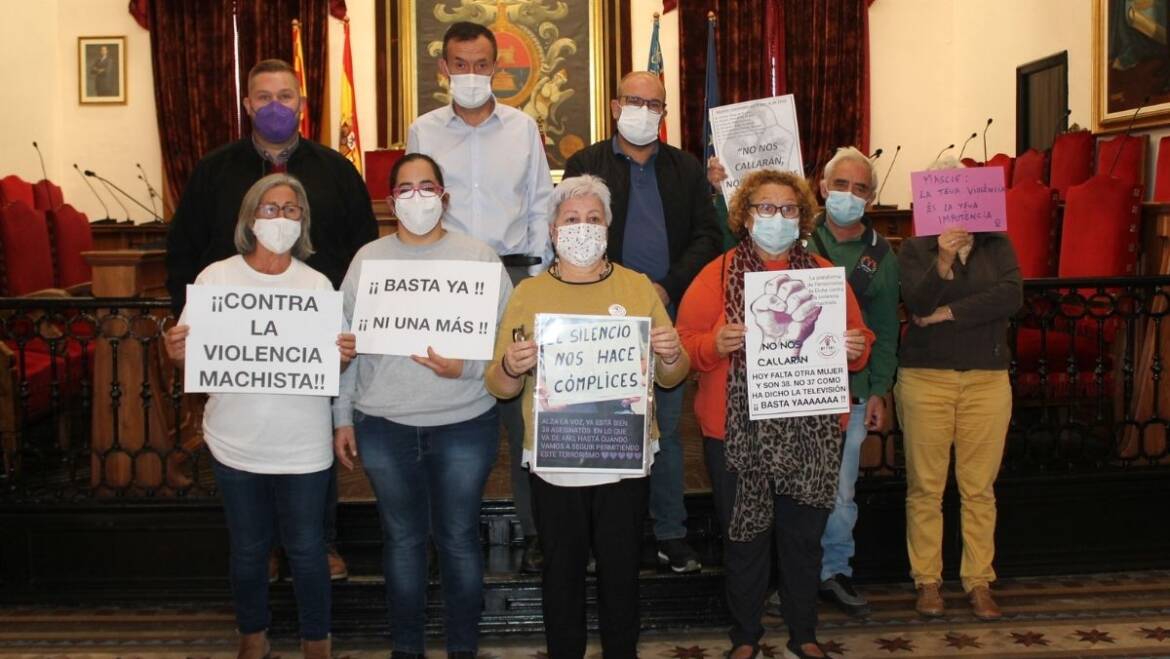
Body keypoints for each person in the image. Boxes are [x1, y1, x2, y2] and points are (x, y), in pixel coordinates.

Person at [166, 58, 377, 581]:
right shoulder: (214, 170)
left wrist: (352, 321)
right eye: (264, 97)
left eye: (286, 96)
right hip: (239, 343)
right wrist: (194, 328)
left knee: (313, 436)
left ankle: (319, 542)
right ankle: (261, 548)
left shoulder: (335, 169)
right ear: (247, 105)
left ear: (302, 104)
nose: (275, 106)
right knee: (247, 440)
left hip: (315, 338)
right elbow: (184, 251)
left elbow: (363, 249)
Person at [485, 175, 690, 658]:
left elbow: (672, 376)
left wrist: (669, 352)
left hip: (622, 455)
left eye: (593, 219)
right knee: (562, 575)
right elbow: (497, 383)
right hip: (558, 460)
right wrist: (513, 367)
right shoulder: (528, 295)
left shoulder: (637, 288)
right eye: (571, 220)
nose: (582, 228)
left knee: (621, 575)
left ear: (608, 228)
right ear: (553, 232)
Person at [677, 169, 873, 659]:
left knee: (803, 540)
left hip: (811, 430)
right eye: (766, 207)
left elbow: (859, 340)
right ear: (744, 216)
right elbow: (682, 347)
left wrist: (855, 347)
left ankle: (803, 633)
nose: (777, 218)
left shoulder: (825, 278)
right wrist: (712, 344)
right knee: (744, 538)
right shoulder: (715, 274)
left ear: (803, 218)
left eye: (788, 209)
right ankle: (745, 637)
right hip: (735, 432)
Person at [164, 173, 352, 659]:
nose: (281, 218)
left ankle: (317, 642)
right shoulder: (215, 279)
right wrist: (177, 352)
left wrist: (344, 355)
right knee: (248, 550)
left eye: (292, 210)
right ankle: (252, 637)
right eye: (271, 209)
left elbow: (333, 363)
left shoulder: (317, 284)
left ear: (303, 221)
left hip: (303, 444)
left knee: (308, 550)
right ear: (250, 218)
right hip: (236, 441)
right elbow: (195, 359)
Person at [332, 153, 512, 658]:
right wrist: (341, 415)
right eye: (406, 189)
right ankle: (406, 649)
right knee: (403, 541)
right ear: (391, 203)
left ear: (444, 196)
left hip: (464, 422)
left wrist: (468, 369)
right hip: (383, 423)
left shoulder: (478, 259)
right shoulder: (367, 260)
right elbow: (344, 347)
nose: (418, 197)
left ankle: (462, 649)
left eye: (427, 187)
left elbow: (508, 340)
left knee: (458, 539)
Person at [407, 21, 554, 573]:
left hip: (515, 277)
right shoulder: (422, 129)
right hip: (449, 282)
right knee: (447, 409)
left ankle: (539, 532)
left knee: (523, 412)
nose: (471, 74)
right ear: (443, 68)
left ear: (498, 68)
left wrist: (538, 281)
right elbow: (417, 201)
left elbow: (541, 205)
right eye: (460, 64)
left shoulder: (522, 128)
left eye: (482, 64)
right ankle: (446, 539)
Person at [563, 71, 721, 573]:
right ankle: (600, 536)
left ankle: (670, 532)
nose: (644, 110)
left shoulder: (686, 168)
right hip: (597, 312)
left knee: (665, 429)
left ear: (664, 112)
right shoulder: (585, 162)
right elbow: (574, 230)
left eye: (655, 104)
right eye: (635, 100)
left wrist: (666, 286)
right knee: (599, 422)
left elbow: (706, 236)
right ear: (614, 106)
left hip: (665, 308)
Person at [897, 172, 1022, 621]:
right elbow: (917, 304)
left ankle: (978, 581)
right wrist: (943, 262)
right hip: (925, 379)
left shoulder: (997, 243)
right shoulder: (916, 248)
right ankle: (927, 581)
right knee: (926, 488)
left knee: (978, 488)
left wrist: (951, 312)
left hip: (986, 379)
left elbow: (1010, 296)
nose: (958, 205)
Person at [806, 147, 899, 615]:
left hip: (852, 393)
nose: (848, 194)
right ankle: (796, 573)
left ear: (871, 197)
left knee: (841, 491)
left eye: (859, 188)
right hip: (794, 391)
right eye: (839, 185)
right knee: (792, 485)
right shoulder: (797, 240)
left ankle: (833, 571)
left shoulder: (881, 257)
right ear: (822, 188)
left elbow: (885, 329)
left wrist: (879, 388)